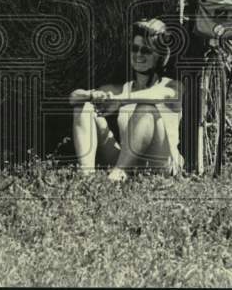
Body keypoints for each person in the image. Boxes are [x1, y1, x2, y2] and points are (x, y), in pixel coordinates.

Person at [69, 18, 182, 182]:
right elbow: (74, 98)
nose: (138, 55)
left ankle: (119, 173)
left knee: (146, 108)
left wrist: (119, 100)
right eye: (135, 49)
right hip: (130, 160)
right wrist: (93, 96)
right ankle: (87, 177)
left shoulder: (172, 86)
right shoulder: (121, 89)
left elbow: (156, 95)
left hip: (161, 162)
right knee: (84, 108)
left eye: (146, 51)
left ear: (159, 56)